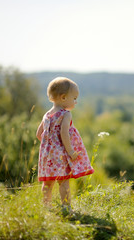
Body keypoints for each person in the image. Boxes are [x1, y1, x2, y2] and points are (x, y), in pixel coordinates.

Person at [36, 77, 94, 212]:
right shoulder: (65, 114)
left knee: (47, 182)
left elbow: (39, 134)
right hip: (60, 155)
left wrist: (48, 147)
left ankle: (46, 207)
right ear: (63, 98)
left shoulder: (47, 115)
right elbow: (64, 134)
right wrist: (71, 152)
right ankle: (66, 208)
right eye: (74, 98)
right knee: (63, 181)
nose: (76, 101)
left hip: (46, 155)